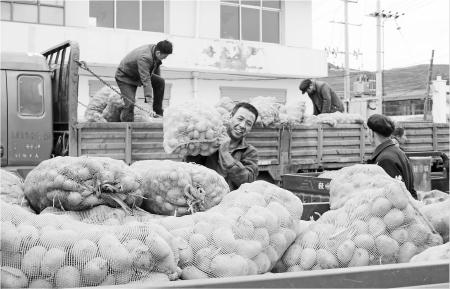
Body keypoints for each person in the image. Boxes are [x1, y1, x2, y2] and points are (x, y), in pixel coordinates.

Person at [185, 102, 259, 190]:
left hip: (232, 200)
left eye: (248, 124)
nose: (242, 125)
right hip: (206, 197)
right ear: (230, 117)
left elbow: (247, 181)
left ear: (250, 129)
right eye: (240, 119)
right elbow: (190, 168)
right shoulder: (210, 141)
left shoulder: (250, 152)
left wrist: (225, 152)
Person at [115, 40, 173, 121]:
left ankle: (158, 113)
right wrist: (149, 103)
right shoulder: (145, 57)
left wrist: (154, 106)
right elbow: (146, 80)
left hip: (137, 74)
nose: (164, 59)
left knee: (160, 81)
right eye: (164, 57)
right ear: (158, 53)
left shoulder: (155, 49)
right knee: (130, 103)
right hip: (125, 77)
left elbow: (156, 69)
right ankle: (127, 127)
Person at [366, 114, 417, 199]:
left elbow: (393, 198)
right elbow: (411, 190)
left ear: (371, 133)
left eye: (367, 131)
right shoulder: (399, 152)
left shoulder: (385, 160)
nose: (366, 134)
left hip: (396, 212)